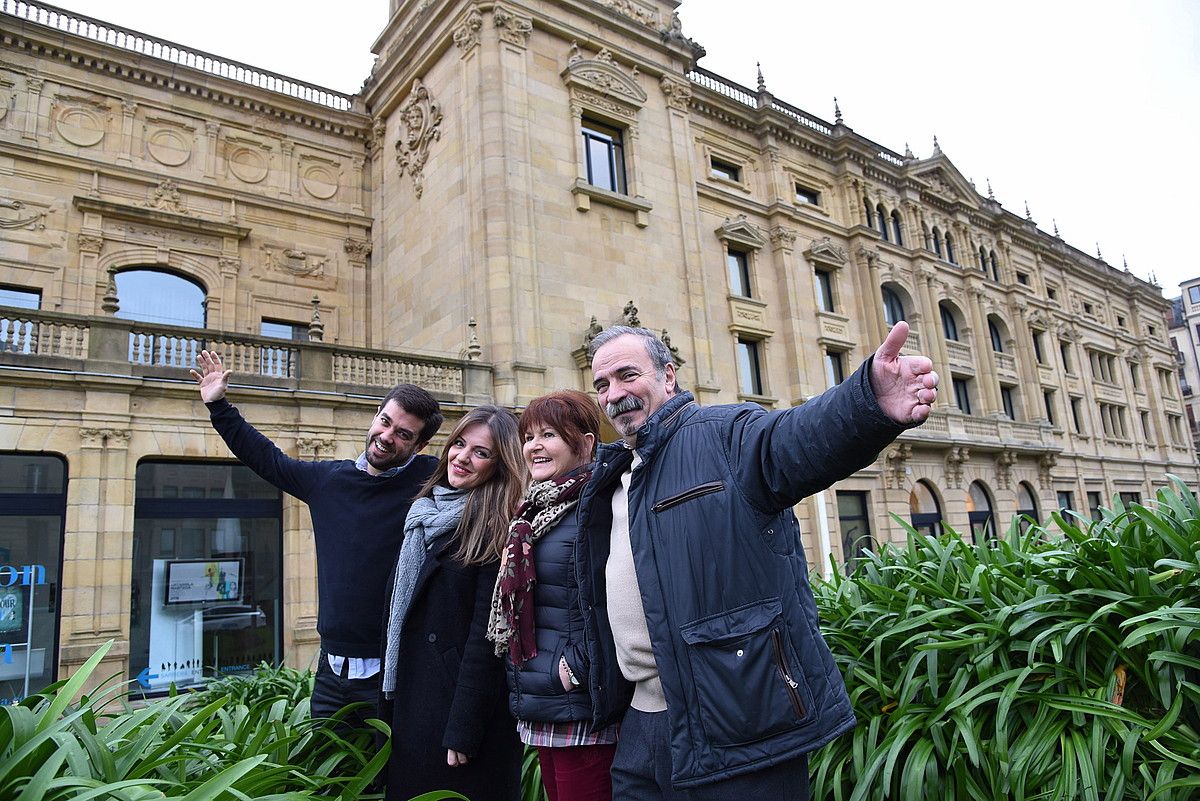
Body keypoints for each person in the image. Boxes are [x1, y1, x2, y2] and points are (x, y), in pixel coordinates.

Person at [578, 322, 938, 799]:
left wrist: (867, 400)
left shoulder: (726, 435)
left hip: (740, 722)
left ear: (669, 376)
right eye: (602, 384)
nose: (614, 394)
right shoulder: (617, 474)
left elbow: (797, 438)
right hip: (644, 727)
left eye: (627, 375)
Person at [190, 350, 442, 728]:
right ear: (375, 415)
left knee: (385, 784)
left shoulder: (431, 482)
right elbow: (267, 459)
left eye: (403, 434)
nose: (387, 437)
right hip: (329, 675)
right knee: (327, 783)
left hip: (391, 676)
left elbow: (486, 470)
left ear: (419, 445)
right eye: (385, 422)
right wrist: (219, 406)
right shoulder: (328, 481)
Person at [381, 405, 526, 801]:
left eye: (481, 452)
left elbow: (488, 640)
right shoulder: (424, 513)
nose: (462, 457)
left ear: (500, 465)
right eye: (459, 444)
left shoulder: (496, 528)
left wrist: (464, 728)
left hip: (458, 718)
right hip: (417, 703)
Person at [486, 391, 623, 801]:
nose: (534, 446)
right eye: (528, 436)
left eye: (549, 434)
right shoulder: (534, 510)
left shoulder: (598, 504)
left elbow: (622, 596)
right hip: (543, 697)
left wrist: (573, 669)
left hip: (580, 702)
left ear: (585, 442)